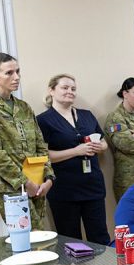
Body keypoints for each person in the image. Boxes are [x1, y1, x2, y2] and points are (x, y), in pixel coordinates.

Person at [0, 53, 54, 229]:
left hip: (36, 182)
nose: (16, 77)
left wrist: (49, 177)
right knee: (29, 238)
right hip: (9, 186)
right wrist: (24, 182)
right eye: (9, 73)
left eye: (18, 71)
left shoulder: (23, 107)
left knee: (39, 236)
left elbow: (40, 145)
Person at [36, 74, 109, 244]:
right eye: (65, 88)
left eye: (73, 89)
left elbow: (104, 143)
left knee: (100, 237)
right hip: (64, 189)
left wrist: (100, 147)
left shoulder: (87, 115)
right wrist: (76, 151)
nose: (70, 92)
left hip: (93, 186)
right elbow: (43, 157)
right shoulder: (43, 121)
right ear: (51, 90)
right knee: (71, 240)